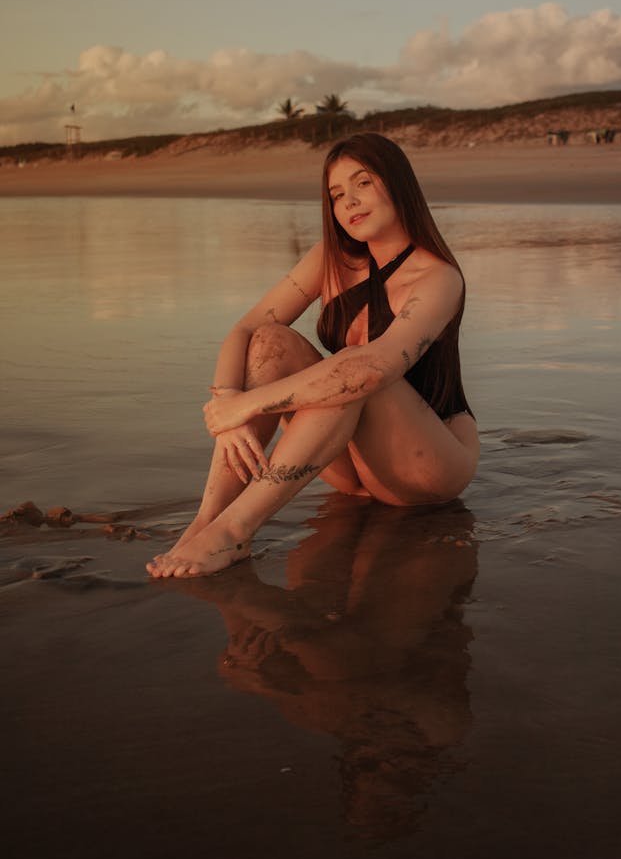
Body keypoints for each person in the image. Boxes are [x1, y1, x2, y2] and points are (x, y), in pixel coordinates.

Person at [146, 132, 479, 579]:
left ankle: (235, 531)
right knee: (270, 339)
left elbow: (374, 367)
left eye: (362, 183)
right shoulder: (332, 259)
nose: (349, 203)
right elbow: (245, 328)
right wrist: (225, 400)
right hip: (349, 465)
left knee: (352, 370)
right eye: (337, 194)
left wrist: (247, 404)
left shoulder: (438, 277)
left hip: (427, 466)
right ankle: (207, 521)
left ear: (398, 182)